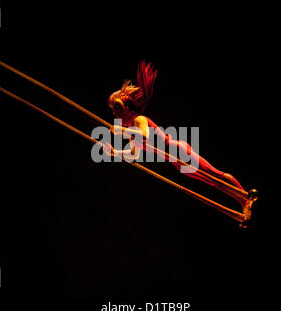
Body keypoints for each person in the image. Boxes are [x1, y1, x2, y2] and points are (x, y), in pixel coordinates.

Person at [103, 60, 253, 208]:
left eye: (117, 112)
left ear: (127, 110)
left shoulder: (139, 120)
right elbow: (133, 154)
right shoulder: (133, 134)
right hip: (176, 161)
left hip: (178, 151)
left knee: (214, 175)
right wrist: (114, 152)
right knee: (213, 181)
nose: (115, 116)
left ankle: (246, 196)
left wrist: (121, 131)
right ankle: (243, 202)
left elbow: (145, 135)